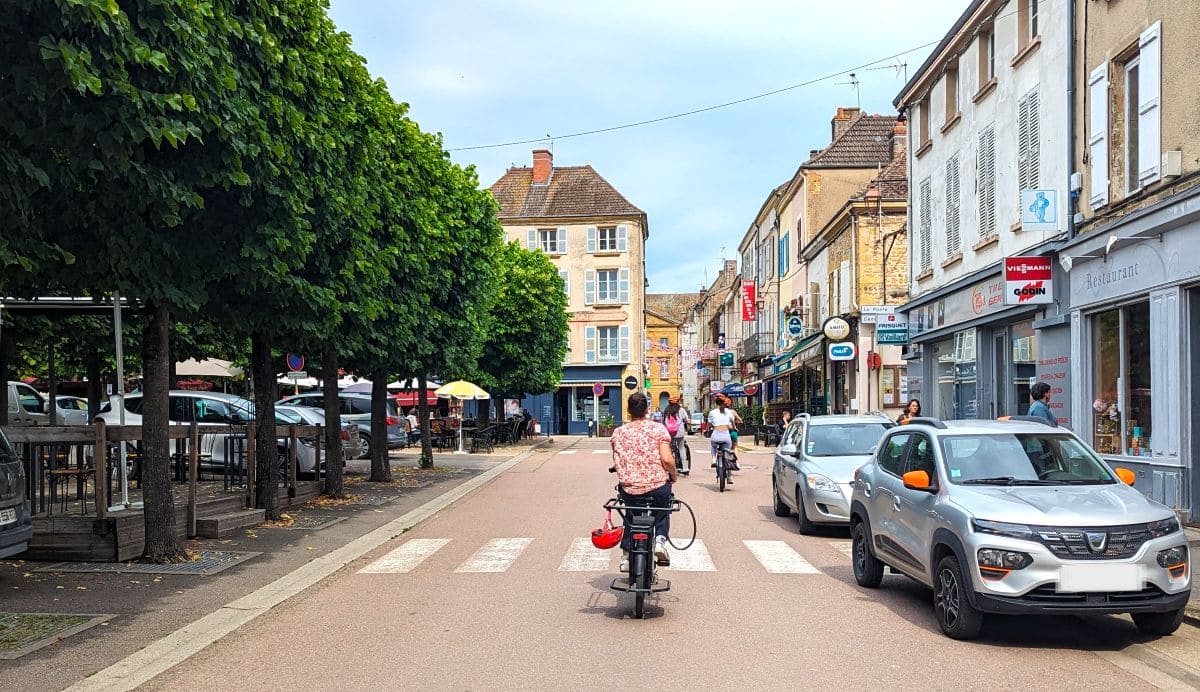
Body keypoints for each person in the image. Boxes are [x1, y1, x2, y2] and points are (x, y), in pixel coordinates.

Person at [610, 392, 676, 570]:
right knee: (662, 508)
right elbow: (667, 459)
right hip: (657, 486)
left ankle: (626, 556)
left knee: (631, 514)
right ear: (647, 410)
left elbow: (618, 458)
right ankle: (660, 541)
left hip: (629, 487)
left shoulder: (618, 432)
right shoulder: (658, 429)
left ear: (628, 410)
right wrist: (673, 475)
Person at [708, 395, 742, 483]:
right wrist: (734, 427)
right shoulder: (729, 412)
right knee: (728, 454)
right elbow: (733, 422)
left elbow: (709, 423)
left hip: (715, 435)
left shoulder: (712, 412)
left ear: (716, 403)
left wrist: (709, 428)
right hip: (726, 436)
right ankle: (730, 476)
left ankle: (713, 459)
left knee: (713, 446)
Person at [663, 395, 690, 476]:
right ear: (678, 402)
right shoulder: (681, 410)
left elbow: (664, 421)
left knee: (669, 448)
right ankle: (685, 468)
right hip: (679, 432)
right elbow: (686, 419)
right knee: (681, 448)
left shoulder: (666, 410)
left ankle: (670, 467)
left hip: (669, 432)